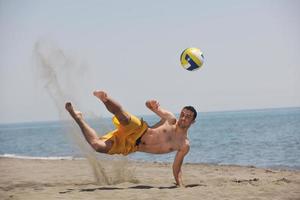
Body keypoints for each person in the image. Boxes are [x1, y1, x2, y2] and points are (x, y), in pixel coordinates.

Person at [65, 90, 197, 186]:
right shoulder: (170, 119)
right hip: (140, 129)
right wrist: (151, 104)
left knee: (97, 146)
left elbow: (177, 166)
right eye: (183, 114)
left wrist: (180, 184)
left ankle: (78, 118)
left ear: (193, 122)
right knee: (124, 118)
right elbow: (151, 107)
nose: (184, 118)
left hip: (132, 146)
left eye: (188, 117)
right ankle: (105, 98)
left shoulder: (184, 145)